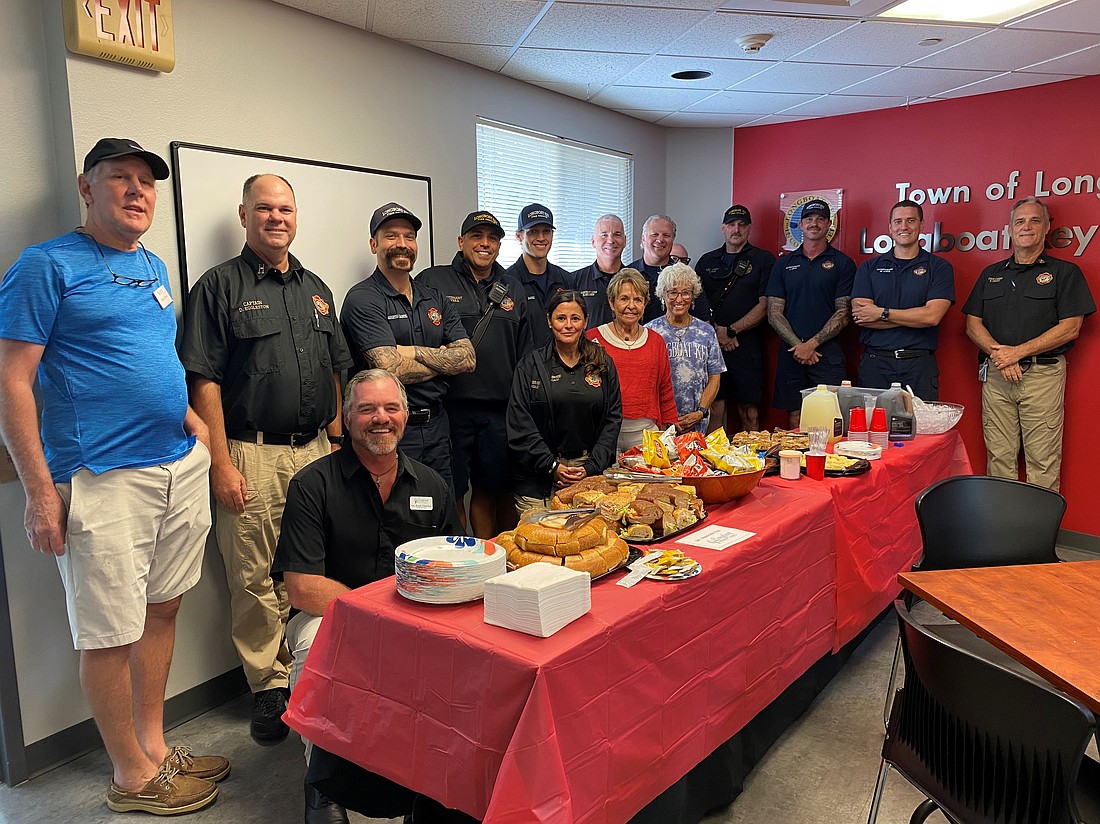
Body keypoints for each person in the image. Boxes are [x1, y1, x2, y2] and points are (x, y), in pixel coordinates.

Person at [0, 138, 226, 815]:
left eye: (146, 182)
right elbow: (13, 380)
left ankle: (155, 747)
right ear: (86, 188)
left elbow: (153, 357)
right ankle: (131, 775)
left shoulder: (151, 263)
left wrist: (194, 422)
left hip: (175, 466)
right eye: (119, 179)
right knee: (109, 631)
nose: (137, 192)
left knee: (162, 609)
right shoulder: (46, 266)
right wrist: (41, 492)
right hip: (101, 475)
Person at [179, 173, 354, 744]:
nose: (276, 218)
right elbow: (201, 378)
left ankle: (317, 669)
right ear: (244, 214)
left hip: (316, 452)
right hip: (248, 452)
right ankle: (270, 687)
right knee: (253, 574)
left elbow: (336, 368)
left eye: (285, 209)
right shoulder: (219, 287)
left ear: (295, 216)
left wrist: (335, 436)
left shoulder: (317, 288)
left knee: (314, 569)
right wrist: (220, 463)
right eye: (264, 209)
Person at [272, 369, 463, 824]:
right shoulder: (311, 485)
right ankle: (322, 781)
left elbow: (457, 565)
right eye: (367, 409)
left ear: (406, 416)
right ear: (347, 417)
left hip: (417, 615)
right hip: (331, 615)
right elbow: (302, 586)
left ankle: (429, 787)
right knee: (315, 645)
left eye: (391, 408)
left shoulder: (432, 486)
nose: (381, 418)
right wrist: (377, 616)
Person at [339, 202, 475, 492]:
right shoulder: (362, 299)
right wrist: (440, 357)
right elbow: (388, 367)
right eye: (391, 236)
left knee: (440, 507)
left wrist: (409, 351)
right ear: (374, 244)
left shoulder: (434, 298)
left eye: (409, 236)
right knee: (391, 515)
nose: (402, 244)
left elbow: (467, 359)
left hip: (438, 426)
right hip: (386, 429)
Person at [963, 197, 1094, 491]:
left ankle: (1036, 537)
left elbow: (1070, 328)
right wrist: (1002, 357)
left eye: (1035, 220)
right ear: (1009, 229)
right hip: (996, 376)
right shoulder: (991, 274)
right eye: (1019, 221)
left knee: (1042, 460)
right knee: (999, 457)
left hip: (1042, 376)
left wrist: (1016, 354)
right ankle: (1000, 533)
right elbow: (972, 324)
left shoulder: (1065, 273)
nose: (1026, 227)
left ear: (1047, 227)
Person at [418, 211, 533, 539]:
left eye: (492, 238)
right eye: (476, 236)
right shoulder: (432, 281)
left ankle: (486, 555)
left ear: (499, 244)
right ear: (461, 241)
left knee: (491, 490)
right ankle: (461, 559)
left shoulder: (513, 286)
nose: (485, 244)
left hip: (500, 412)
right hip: (448, 410)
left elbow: (525, 355)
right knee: (450, 490)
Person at [507, 290, 623, 512]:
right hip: (538, 479)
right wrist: (552, 466)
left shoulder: (602, 363)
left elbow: (612, 419)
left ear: (585, 321)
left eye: (575, 318)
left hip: (589, 476)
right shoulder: (530, 366)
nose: (568, 325)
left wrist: (590, 467)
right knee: (541, 543)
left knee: (587, 542)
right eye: (561, 318)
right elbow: (520, 425)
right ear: (549, 321)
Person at [851, 200, 955, 400]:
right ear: (890, 227)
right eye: (898, 222)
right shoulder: (869, 268)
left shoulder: (939, 267)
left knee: (921, 429)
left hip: (919, 366)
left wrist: (882, 313)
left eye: (910, 220)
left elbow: (932, 317)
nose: (904, 227)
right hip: (876, 364)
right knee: (872, 428)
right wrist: (914, 316)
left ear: (922, 225)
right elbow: (862, 317)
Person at [766, 198, 855, 428]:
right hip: (791, 351)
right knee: (795, 416)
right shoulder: (783, 265)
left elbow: (843, 313)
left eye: (820, 219)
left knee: (830, 416)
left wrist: (811, 344)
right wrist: (799, 345)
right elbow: (774, 312)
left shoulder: (843, 263)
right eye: (808, 219)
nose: (814, 223)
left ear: (828, 225)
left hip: (827, 354)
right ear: (801, 225)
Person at [696, 205, 775, 433]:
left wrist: (731, 330)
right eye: (731, 224)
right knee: (714, 408)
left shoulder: (763, 260)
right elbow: (696, 304)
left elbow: (765, 305)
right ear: (723, 228)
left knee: (749, 411)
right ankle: (712, 463)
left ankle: (754, 464)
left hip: (747, 345)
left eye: (742, 225)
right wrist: (717, 334)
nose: (736, 229)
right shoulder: (707, 261)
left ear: (749, 228)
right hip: (712, 345)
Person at [586, 269, 678, 452]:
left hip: (646, 434)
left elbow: (665, 388)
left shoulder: (656, 341)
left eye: (638, 300)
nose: (631, 306)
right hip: (603, 434)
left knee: (646, 481)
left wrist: (670, 429)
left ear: (645, 304)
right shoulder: (592, 339)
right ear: (612, 302)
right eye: (624, 298)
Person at [646, 263, 726, 434]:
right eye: (673, 292)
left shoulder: (706, 332)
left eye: (686, 293)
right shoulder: (650, 332)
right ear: (662, 295)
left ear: (693, 296)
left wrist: (700, 412)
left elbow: (714, 378)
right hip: (660, 423)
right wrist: (665, 417)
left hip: (697, 422)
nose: (679, 299)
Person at [507, 203, 573, 348]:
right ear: (519, 236)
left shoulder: (567, 280)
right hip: (523, 368)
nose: (541, 238)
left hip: (563, 367)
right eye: (533, 232)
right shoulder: (507, 283)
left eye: (547, 231)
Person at [628, 215, 710, 323]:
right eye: (655, 234)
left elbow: (703, 322)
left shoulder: (687, 276)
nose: (660, 240)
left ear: (673, 240)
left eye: (666, 235)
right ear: (643, 238)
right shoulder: (628, 275)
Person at [573, 214, 627, 328]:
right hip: (586, 345)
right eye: (604, 235)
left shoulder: (635, 281)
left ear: (625, 241)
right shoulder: (574, 280)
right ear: (593, 241)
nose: (611, 240)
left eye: (617, 234)